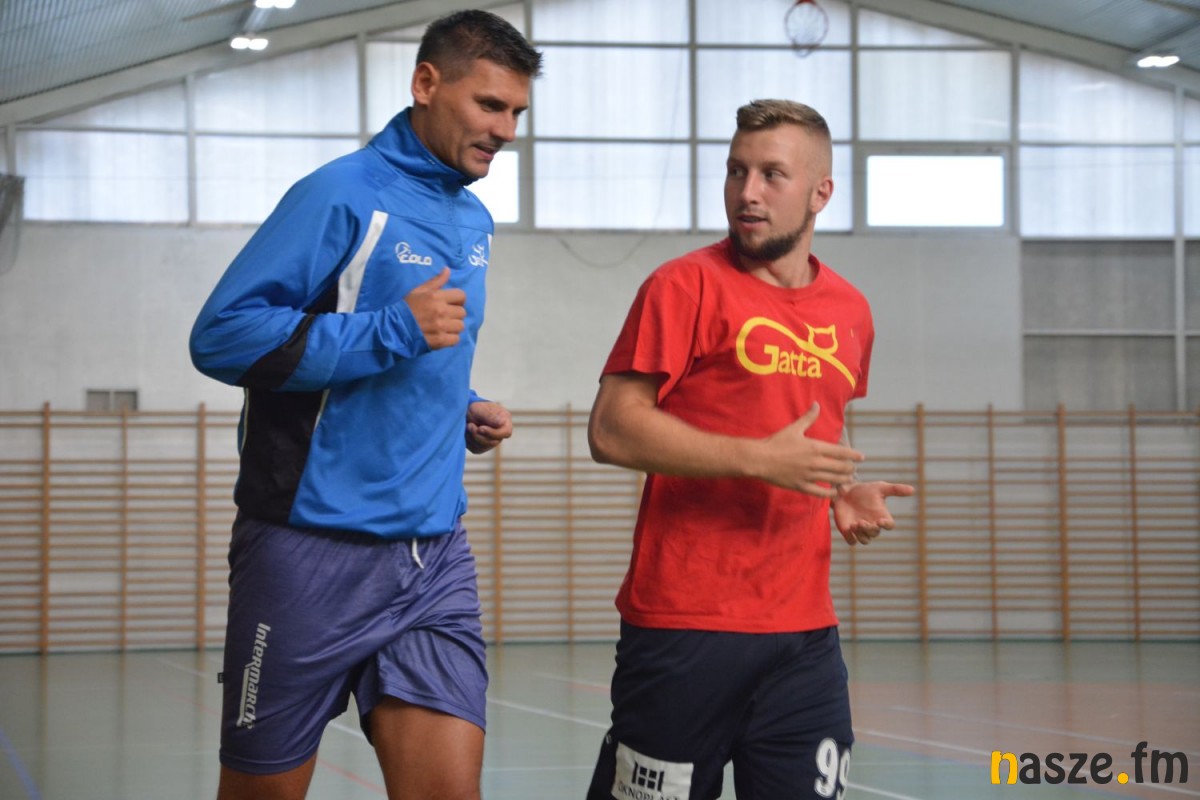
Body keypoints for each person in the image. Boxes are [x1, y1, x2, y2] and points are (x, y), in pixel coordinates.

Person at [188, 10, 541, 800]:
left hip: (432, 555)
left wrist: (460, 408)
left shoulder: (472, 219)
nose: (506, 130)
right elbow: (222, 336)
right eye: (490, 105)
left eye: (518, 112)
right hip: (307, 553)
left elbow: (414, 354)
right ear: (426, 83)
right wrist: (391, 331)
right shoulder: (340, 195)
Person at [584, 99, 915, 800]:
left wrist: (838, 486)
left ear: (821, 192)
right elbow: (612, 428)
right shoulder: (683, 286)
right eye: (736, 171)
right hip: (684, 628)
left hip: (805, 638)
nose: (747, 192)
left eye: (772, 174)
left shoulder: (851, 311)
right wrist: (761, 460)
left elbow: (817, 422)